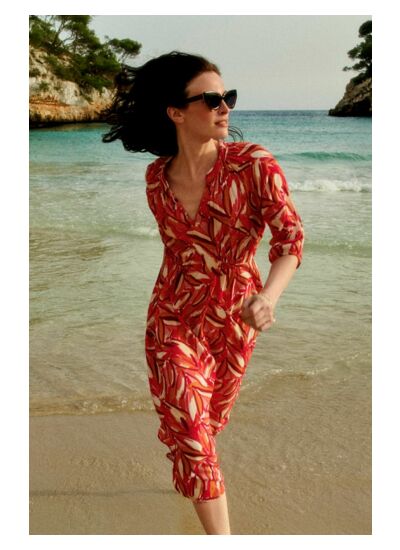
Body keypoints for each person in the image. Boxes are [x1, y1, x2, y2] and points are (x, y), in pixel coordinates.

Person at [102, 51, 304, 535]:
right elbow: (180, 253)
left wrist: (268, 297)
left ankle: (192, 474)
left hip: (234, 322)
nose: (225, 107)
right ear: (175, 111)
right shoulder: (156, 180)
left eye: (227, 96)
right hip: (171, 318)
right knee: (192, 429)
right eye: (211, 99)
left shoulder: (253, 164)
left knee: (206, 426)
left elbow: (289, 239)